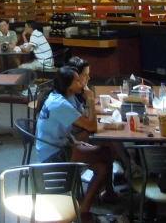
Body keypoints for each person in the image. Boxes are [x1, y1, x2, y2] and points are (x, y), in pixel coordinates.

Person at [33, 67, 115, 222]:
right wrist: (90, 99)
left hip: (53, 148)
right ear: (67, 84)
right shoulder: (61, 104)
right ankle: (99, 200)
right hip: (54, 155)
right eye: (77, 80)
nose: (81, 82)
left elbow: (63, 128)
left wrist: (74, 141)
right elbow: (92, 127)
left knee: (103, 166)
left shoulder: (56, 98)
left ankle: (85, 209)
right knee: (106, 152)